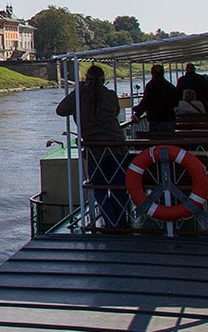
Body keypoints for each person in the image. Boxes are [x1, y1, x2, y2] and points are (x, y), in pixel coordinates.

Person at [57, 65, 128, 228]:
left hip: (94, 148)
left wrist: (78, 91)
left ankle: (110, 223)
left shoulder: (80, 96)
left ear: (86, 79)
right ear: (103, 79)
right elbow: (116, 113)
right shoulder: (110, 95)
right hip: (117, 145)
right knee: (118, 186)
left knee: (98, 187)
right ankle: (122, 223)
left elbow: (61, 110)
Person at [132, 64, 179, 132]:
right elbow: (176, 103)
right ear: (163, 73)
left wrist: (137, 114)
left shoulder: (150, 86)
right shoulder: (170, 86)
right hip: (169, 118)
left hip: (155, 118)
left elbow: (146, 101)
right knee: (170, 140)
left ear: (152, 73)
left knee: (156, 140)